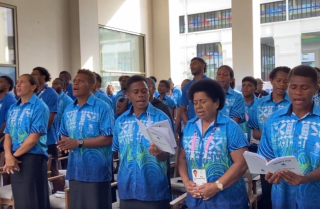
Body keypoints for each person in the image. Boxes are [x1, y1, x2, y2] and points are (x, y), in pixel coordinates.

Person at [178, 79, 249, 209]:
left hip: (227, 201)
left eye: (203, 102)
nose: (198, 106)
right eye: (195, 103)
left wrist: (217, 186)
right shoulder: (189, 126)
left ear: (216, 103)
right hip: (196, 200)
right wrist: (186, 182)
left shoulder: (230, 127)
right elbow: (182, 158)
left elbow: (242, 163)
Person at [259, 65, 320, 209]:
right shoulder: (273, 121)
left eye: (304, 88)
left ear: (316, 89)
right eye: (293, 87)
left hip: (314, 199)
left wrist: (304, 179)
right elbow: (266, 156)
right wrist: (270, 172)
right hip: (281, 198)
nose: (298, 92)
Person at [113, 75, 172, 209]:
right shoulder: (121, 121)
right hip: (127, 188)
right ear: (128, 95)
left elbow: (166, 155)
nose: (141, 95)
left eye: (144, 91)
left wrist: (158, 152)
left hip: (153, 190)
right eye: (136, 92)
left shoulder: (160, 118)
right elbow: (117, 151)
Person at [57, 69, 114, 209]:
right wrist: (65, 143)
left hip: (96, 171)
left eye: (80, 81)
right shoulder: (69, 108)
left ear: (92, 86)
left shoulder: (103, 107)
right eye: (74, 81)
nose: (75, 84)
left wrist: (78, 143)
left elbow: (109, 138)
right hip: (75, 169)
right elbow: (63, 133)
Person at [4, 74, 50, 209]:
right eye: (17, 82)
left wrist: (14, 157)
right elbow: (8, 134)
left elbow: (33, 138)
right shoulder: (14, 108)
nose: (17, 85)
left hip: (32, 157)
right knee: (21, 199)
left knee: (33, 198)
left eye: (22, 82)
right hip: (14, 158)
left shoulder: (39, 107)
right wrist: (8, 155)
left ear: (33, 87)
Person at [248, 66, 291, 209]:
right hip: (266, 157)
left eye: (286, 81)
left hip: (289, 155)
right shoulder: (258, 105)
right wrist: (272, 135)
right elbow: (255, 133)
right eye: (278, 80)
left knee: (290, 194)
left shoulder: (293, 103)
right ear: (271, 80)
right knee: (267, 194)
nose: (282, 84)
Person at [31, 67, 60, 188]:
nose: (32, 76)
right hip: (33, 140)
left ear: (43, 77)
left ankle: (61, 197)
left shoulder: (50, 93)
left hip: (48, 140)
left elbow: (50, 119)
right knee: (37, 172)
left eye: (35, 74)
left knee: (53, 170)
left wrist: (38, 134)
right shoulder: (34, 93)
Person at [52, 78, 73, 171]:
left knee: (65, 160)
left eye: (57, 84)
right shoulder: (52, 98)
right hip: (54, 133)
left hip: (64, 134)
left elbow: (69, 119)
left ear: (63, 87)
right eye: (53, 83)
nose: (53, 86)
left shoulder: (67, 100)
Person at [181, 57, 209, 124]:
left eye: (194, 63)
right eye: (190, 65)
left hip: (208, 124)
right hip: (192, 125)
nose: (192, 66)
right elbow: (182, 110)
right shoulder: (187, 86)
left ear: (203, 65)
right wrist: (188, 125)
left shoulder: (210, 84)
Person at [240, 76, 259, 153]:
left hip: (256, 142)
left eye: (249, 85)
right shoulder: (237, 104)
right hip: (240, 141)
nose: (245, 88)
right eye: (243, 85)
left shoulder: (260, 104)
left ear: (255, 88)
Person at [0, 76, 16, 152]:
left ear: (7, 86)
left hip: (3, 143)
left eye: (0, 82)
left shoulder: (11, 101)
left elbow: (8, 122)